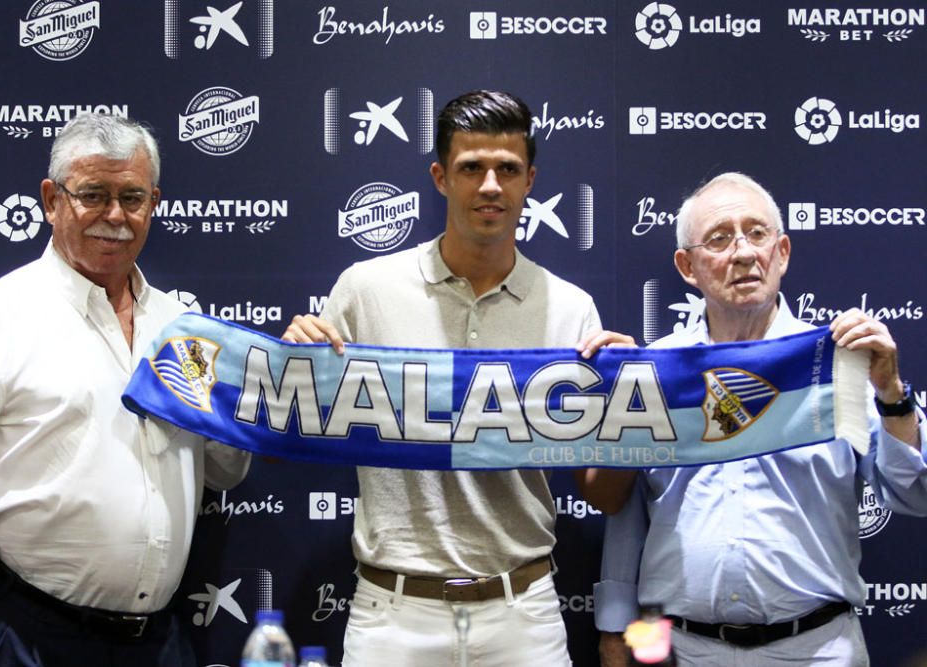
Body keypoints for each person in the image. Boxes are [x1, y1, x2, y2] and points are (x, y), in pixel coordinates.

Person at [282, 90, 629, 666]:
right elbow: (285, 444)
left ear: (530, 180)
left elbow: (604, 494)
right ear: (441, 178)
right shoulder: (367, 290)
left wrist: (628, 407)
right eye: (472, 168)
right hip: (393, 613)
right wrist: (289, 369)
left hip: (524, 611)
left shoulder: (572, 309)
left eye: (507, 169)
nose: (490, 185)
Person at [0, 113, 252, 667]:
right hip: (29, 637)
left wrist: (246, 399)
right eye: (93, 195)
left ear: (155, 202)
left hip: (160, 643)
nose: (115, 216)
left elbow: (225, 471)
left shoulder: (183, 328)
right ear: (52, 200)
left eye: (132, 197)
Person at [593, 172, 927, 666]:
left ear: (783, 252)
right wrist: (615, 628)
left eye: (757, 233)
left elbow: (914, 495)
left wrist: (892, 394)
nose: (744, 253)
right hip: (682, 650)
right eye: (720, 239)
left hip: (819, 650)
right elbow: (630, 513)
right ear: (688, 266)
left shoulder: (840, 364)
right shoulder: (656, 370)